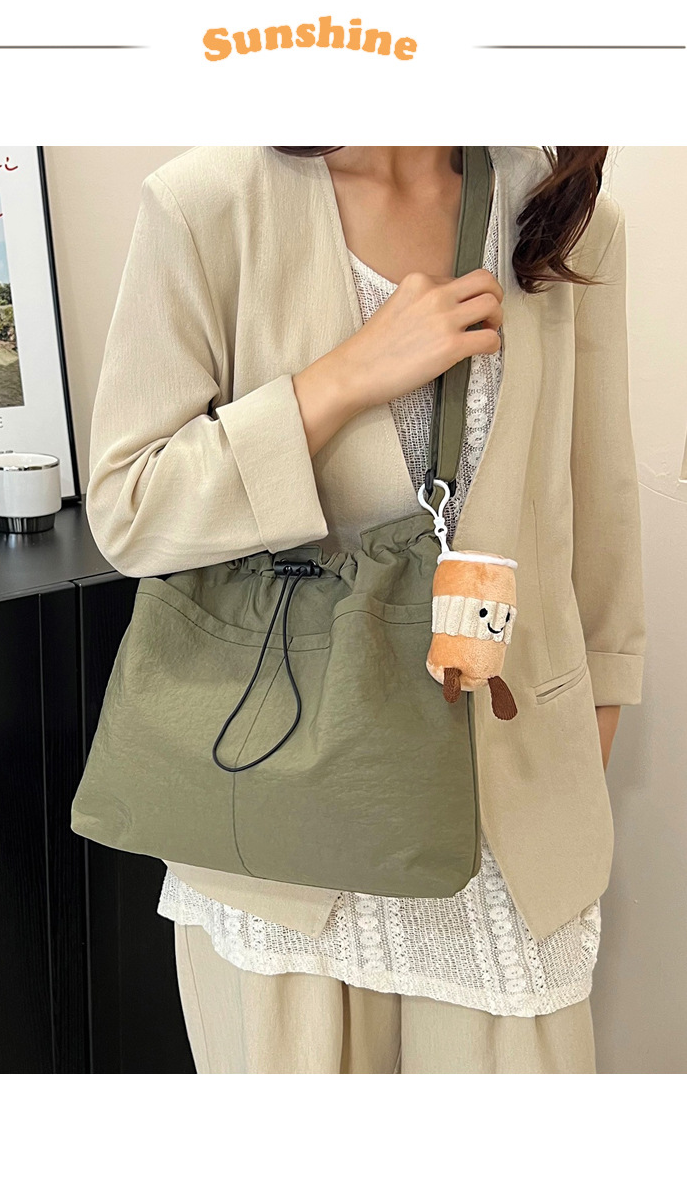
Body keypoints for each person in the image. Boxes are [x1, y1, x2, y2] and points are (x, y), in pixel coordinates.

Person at [85, 146, 646, 1073]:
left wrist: (577, 760)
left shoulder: (563, 220)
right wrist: (339, 380)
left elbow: (599, 518)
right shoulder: (206, 205)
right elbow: (129, 508)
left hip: (503, 839)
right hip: (281, 839)